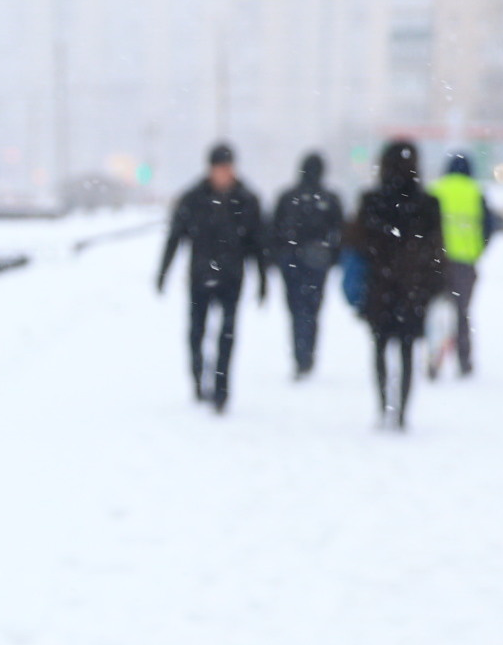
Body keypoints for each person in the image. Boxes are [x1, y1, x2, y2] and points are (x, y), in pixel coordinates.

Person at [154, 142, 266, 411]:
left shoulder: (247, 200)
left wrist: (263, 279)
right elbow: (175, 237)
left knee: (227, 334)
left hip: (231, 277)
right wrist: (163, 271)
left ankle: (221, 389)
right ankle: (197, 379)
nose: (223, 174)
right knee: (196, 332)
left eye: (227, 168)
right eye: (219, 168)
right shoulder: (193, 198)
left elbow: (257, 244)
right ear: (210, 169)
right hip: (200, 277)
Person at [345, 137, 444, 429]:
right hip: (413, 289)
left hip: (379, 289)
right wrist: (434, 287)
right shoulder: (428, 203)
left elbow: (355, 243)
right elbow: (438, 251)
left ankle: (382, 406)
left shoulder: (371, 200)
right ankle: (401, 412)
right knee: (407, 350)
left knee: (379, 348)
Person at [266, 151, 346, 379]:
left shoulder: (288, 197)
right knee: (312, 310)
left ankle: (301, 355)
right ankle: (307, 354)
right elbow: (339, 231)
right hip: (317, 263)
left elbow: (274, 230)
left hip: (291, 261)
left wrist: (275, 257)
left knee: (296, 309)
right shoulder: (329, 199)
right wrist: (333, 258)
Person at [426, 150, 503, 379]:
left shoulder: (436, 190)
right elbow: (489, 227)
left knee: (434, 311)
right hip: (465, 263)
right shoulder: (476, 193)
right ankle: (464, 360)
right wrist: (478, 249)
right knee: (462, 313)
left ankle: (433, 357)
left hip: (436, 261)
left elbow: (424, 225)